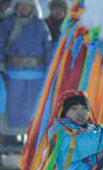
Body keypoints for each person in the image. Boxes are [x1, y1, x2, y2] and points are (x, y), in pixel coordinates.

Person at [0, 0, 52, 134]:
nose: (24, 8)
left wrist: (49, 66)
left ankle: (31, 133)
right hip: (14, 72)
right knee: (14, 105)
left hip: (37, 72)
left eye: (27, 5)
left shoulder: (40, 25)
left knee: (33, 105)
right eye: (21, 4)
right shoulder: (7, 23)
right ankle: (12, 134)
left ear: (33, 7)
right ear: (16, 6)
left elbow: (47, 46)